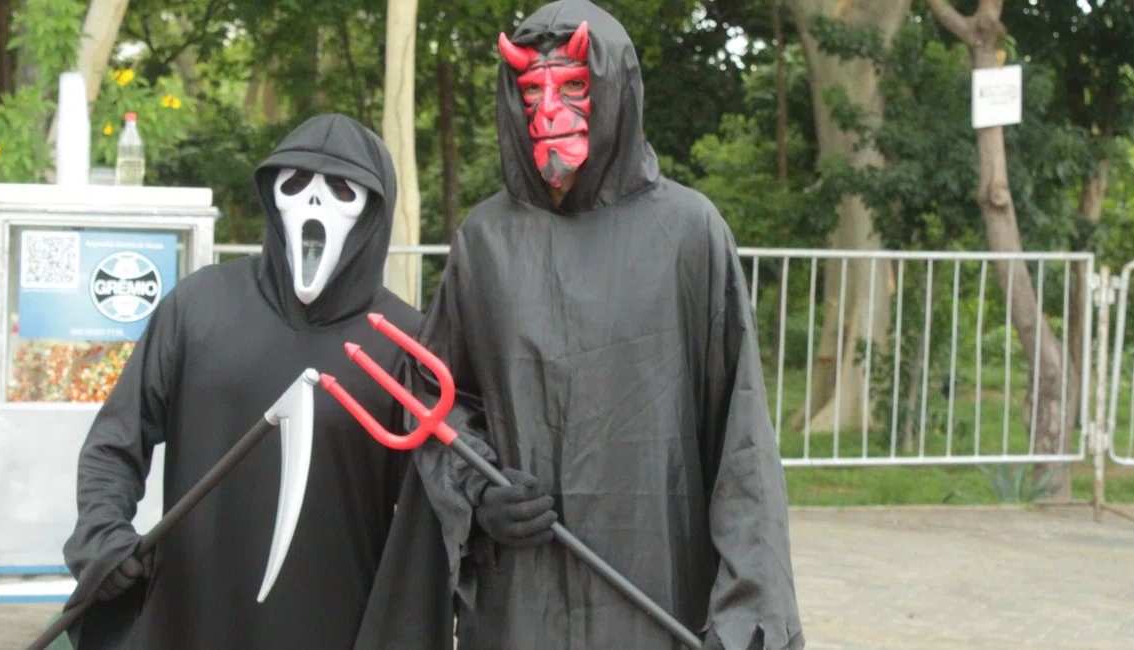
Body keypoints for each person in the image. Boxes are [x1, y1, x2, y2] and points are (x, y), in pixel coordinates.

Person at [407, 1, 804, 649]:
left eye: (572, 87)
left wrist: (748, 613)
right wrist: (479, 492)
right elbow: (435, 394)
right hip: (525, 600)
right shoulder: (485, 240)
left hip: (657, 589)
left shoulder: (689, 233)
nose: (548, 110)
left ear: (613, 89)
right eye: (530, 91)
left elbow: (742, 438)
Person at [62, 113, 452, 649]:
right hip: (192, 620)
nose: (314, 200)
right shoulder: (198, 307)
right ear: (272, 194)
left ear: (373, 213)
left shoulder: (404, 344)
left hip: (333, 626)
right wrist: (102, 535)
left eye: (342, 189)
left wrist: (492, 500)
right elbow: (114, 443)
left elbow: (437, 497)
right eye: (298, 182)